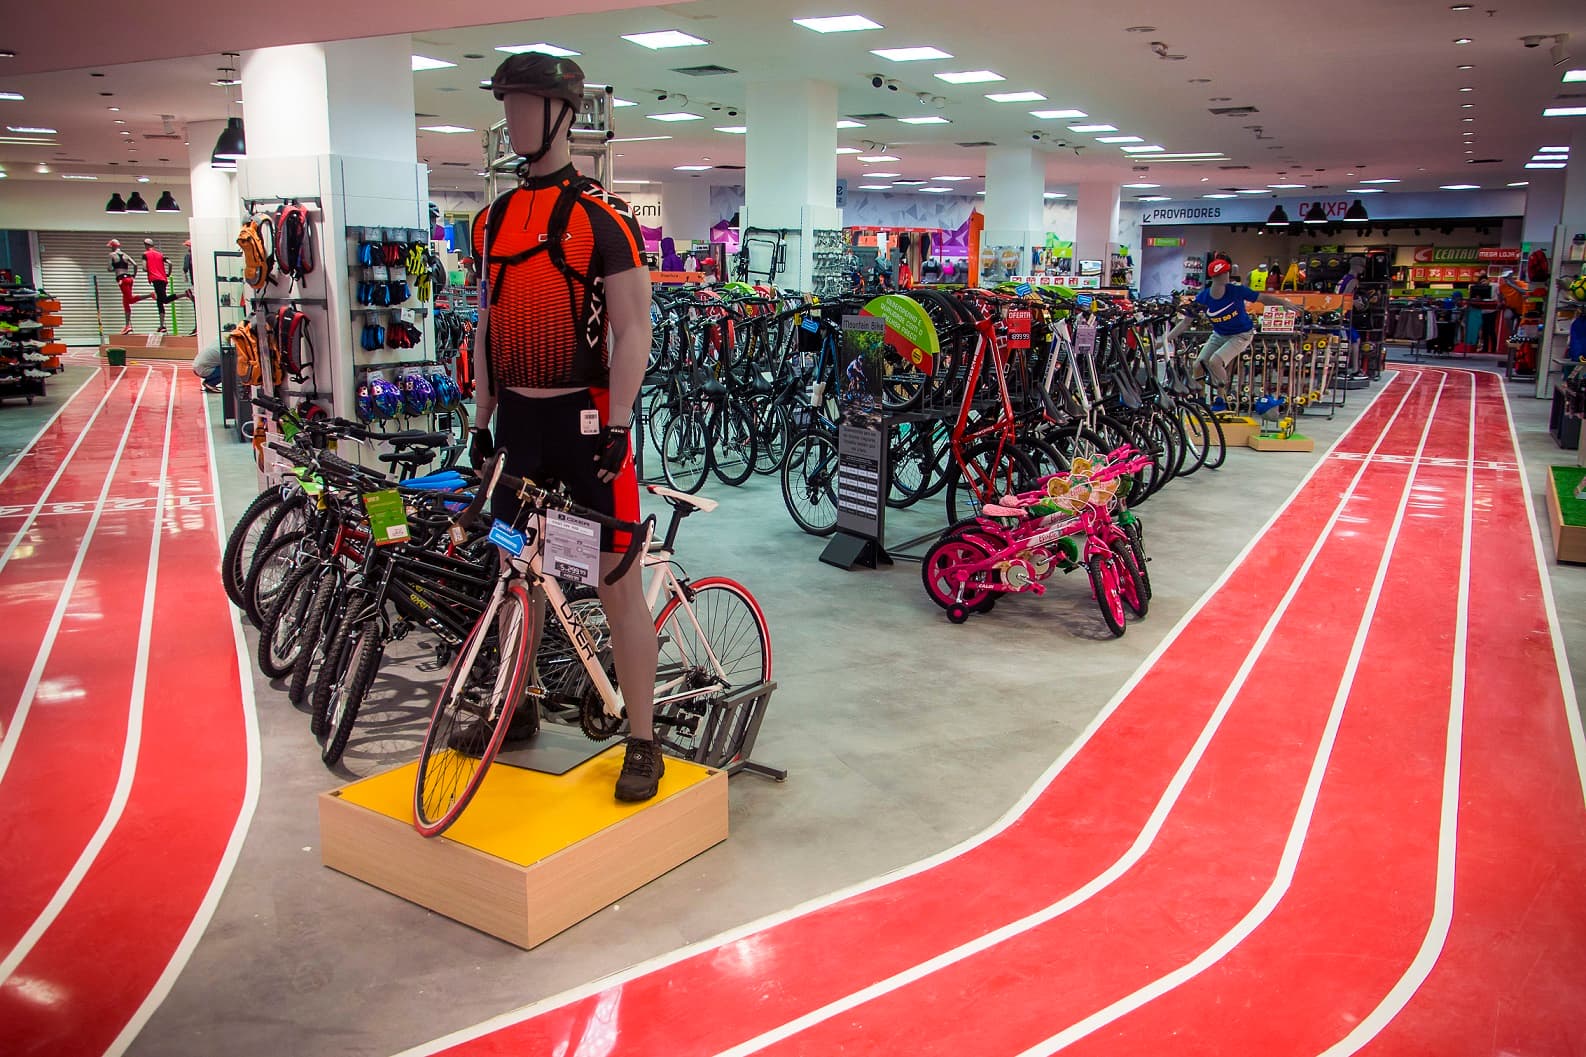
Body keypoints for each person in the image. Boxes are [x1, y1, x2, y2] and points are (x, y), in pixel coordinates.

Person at [469, 52, 663, 802]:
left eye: (526, 104)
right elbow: (486, 327)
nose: (513, 119)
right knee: (510, 565)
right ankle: (513, 707)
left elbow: (635, 329)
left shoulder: (603, 218)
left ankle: (642, 739)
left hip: (588, 432)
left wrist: (618, 422)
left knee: (616, 583)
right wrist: (481, 419)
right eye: (507, 105)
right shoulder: (489, 222)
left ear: (562, 114)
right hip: (518, 429)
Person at [1166, 256, 1304, 391]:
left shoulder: (1236, 290)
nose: (1226, 275)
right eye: (1223, 273)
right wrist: (1165, 341)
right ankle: (1200, 398)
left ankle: (1222, 398)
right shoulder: (1203, 297)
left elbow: (1262, 298)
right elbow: (1185, 322)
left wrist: (1282, 302)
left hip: (1241, 334)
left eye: (1226, 272)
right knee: (1198, 365)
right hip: (1219, 335)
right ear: (1215, 277)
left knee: (1215, 362)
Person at [107, 239, 138, 334]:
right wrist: (134, 275)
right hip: (129, 278)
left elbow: (109, 268)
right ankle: (127, 326)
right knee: (125, 302)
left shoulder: (112, 255)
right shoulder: (125, 255)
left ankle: (150, 295)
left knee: (130, 300)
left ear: (113, 246)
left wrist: (115, 268)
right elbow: (135, 264)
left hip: (121, 279)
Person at [142, 238, 171, 332]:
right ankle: (162, 326)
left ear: (146, 245)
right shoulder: (160, 254)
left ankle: (184, 294)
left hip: (155, 279)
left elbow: (144, 268)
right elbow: (170, 263)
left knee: (164, 300)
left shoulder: (145, 254)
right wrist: (168, 273)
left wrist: (151, 270)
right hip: (163, 278)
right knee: (159, 301)